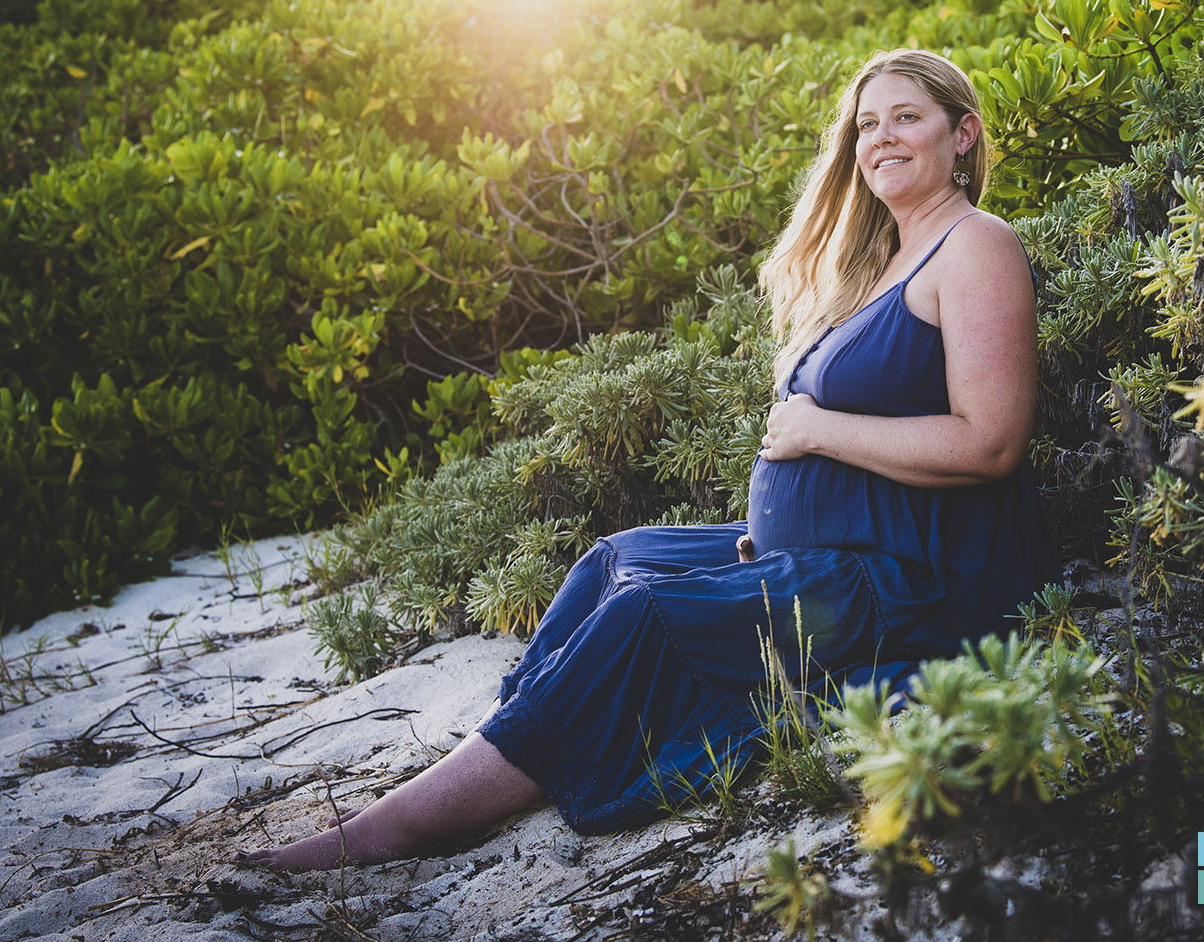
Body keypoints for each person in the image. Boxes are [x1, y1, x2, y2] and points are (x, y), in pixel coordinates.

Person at [238, 48, 1058, 871]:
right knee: (621, 560)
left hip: (917, 586)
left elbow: (989, 441)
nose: (880, 138)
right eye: (866, 124)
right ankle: (518, 746)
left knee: (650, 617)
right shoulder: (880, 264)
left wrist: (818, 434)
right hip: (838, 557)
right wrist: (776, 540)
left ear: (963, 134)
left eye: (905, 118)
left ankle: (392, 830)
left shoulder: (976, 247)